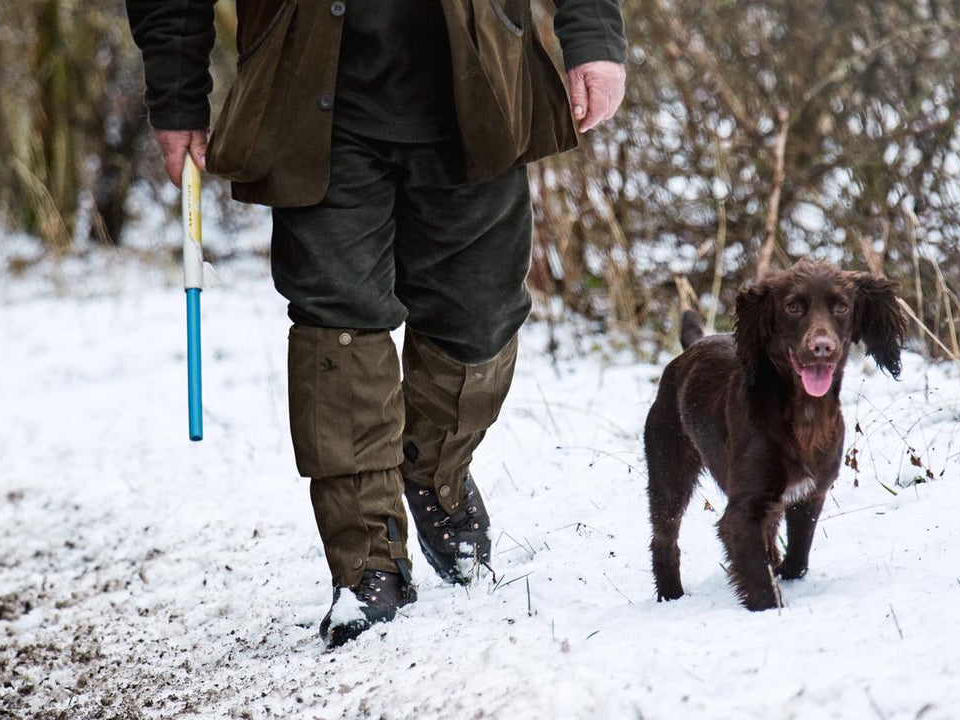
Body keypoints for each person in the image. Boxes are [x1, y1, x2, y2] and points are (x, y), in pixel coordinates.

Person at [126, 0, 626, 647]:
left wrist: (593, 34)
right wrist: (177, 94)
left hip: (480, 88)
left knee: (480, 316)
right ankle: (367, 560)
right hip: (309, 97)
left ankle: (434, 468)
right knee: (337, 322)